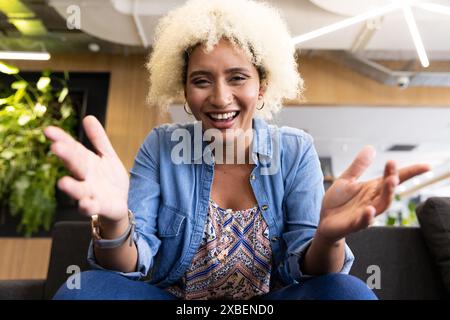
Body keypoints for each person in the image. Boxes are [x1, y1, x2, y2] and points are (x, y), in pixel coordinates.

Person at [47, 0, 428, 300]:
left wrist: (327, 238)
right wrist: (115, 221)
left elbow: (310, 274)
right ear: (184, 91)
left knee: (348, 291)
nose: (219, 97)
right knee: (88, 290)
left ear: (262, 87)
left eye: (238, 78)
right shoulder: (162, 147)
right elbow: (133, 266)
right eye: (201, 80)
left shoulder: (294, 151)